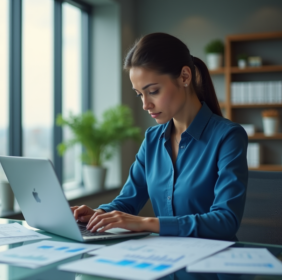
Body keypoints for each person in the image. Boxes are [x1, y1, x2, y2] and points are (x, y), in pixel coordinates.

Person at [71, 33, 248, 241]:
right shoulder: (153, 139)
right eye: (140, 94)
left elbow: (226, 221)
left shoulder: (228, 137)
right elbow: (127, 202)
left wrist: (145, 223)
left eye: (153, 91)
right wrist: (98, 214)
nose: (145, 104)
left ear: (184, 77)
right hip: (165, 260)